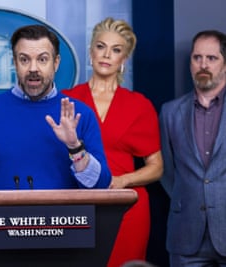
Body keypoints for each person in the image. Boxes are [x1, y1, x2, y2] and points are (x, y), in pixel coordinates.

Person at [0, 24, 111, 191]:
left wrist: (75, 147)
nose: (33, 69)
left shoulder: (80, 114)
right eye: (24, 59)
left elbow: (100, 185)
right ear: (14, 63)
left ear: (56, 63)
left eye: (42, 59)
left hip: (62, 218)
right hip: (2, 217)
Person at [62, 17, 163, 266]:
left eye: (116, 50)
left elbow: (157, 167)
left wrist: (122, 181)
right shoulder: (67, 99)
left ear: (123, 60)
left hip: (127, 207)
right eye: (101, 46)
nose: (107, 54)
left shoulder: (139, 105)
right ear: (90, 51)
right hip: (77, 205)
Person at [160, 30, 226, 266]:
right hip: (186, 235)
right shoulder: (170, 112)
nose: (203, 65)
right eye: (197, 58)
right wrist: (189, 196)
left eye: (212, 58)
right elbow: (167, 171)